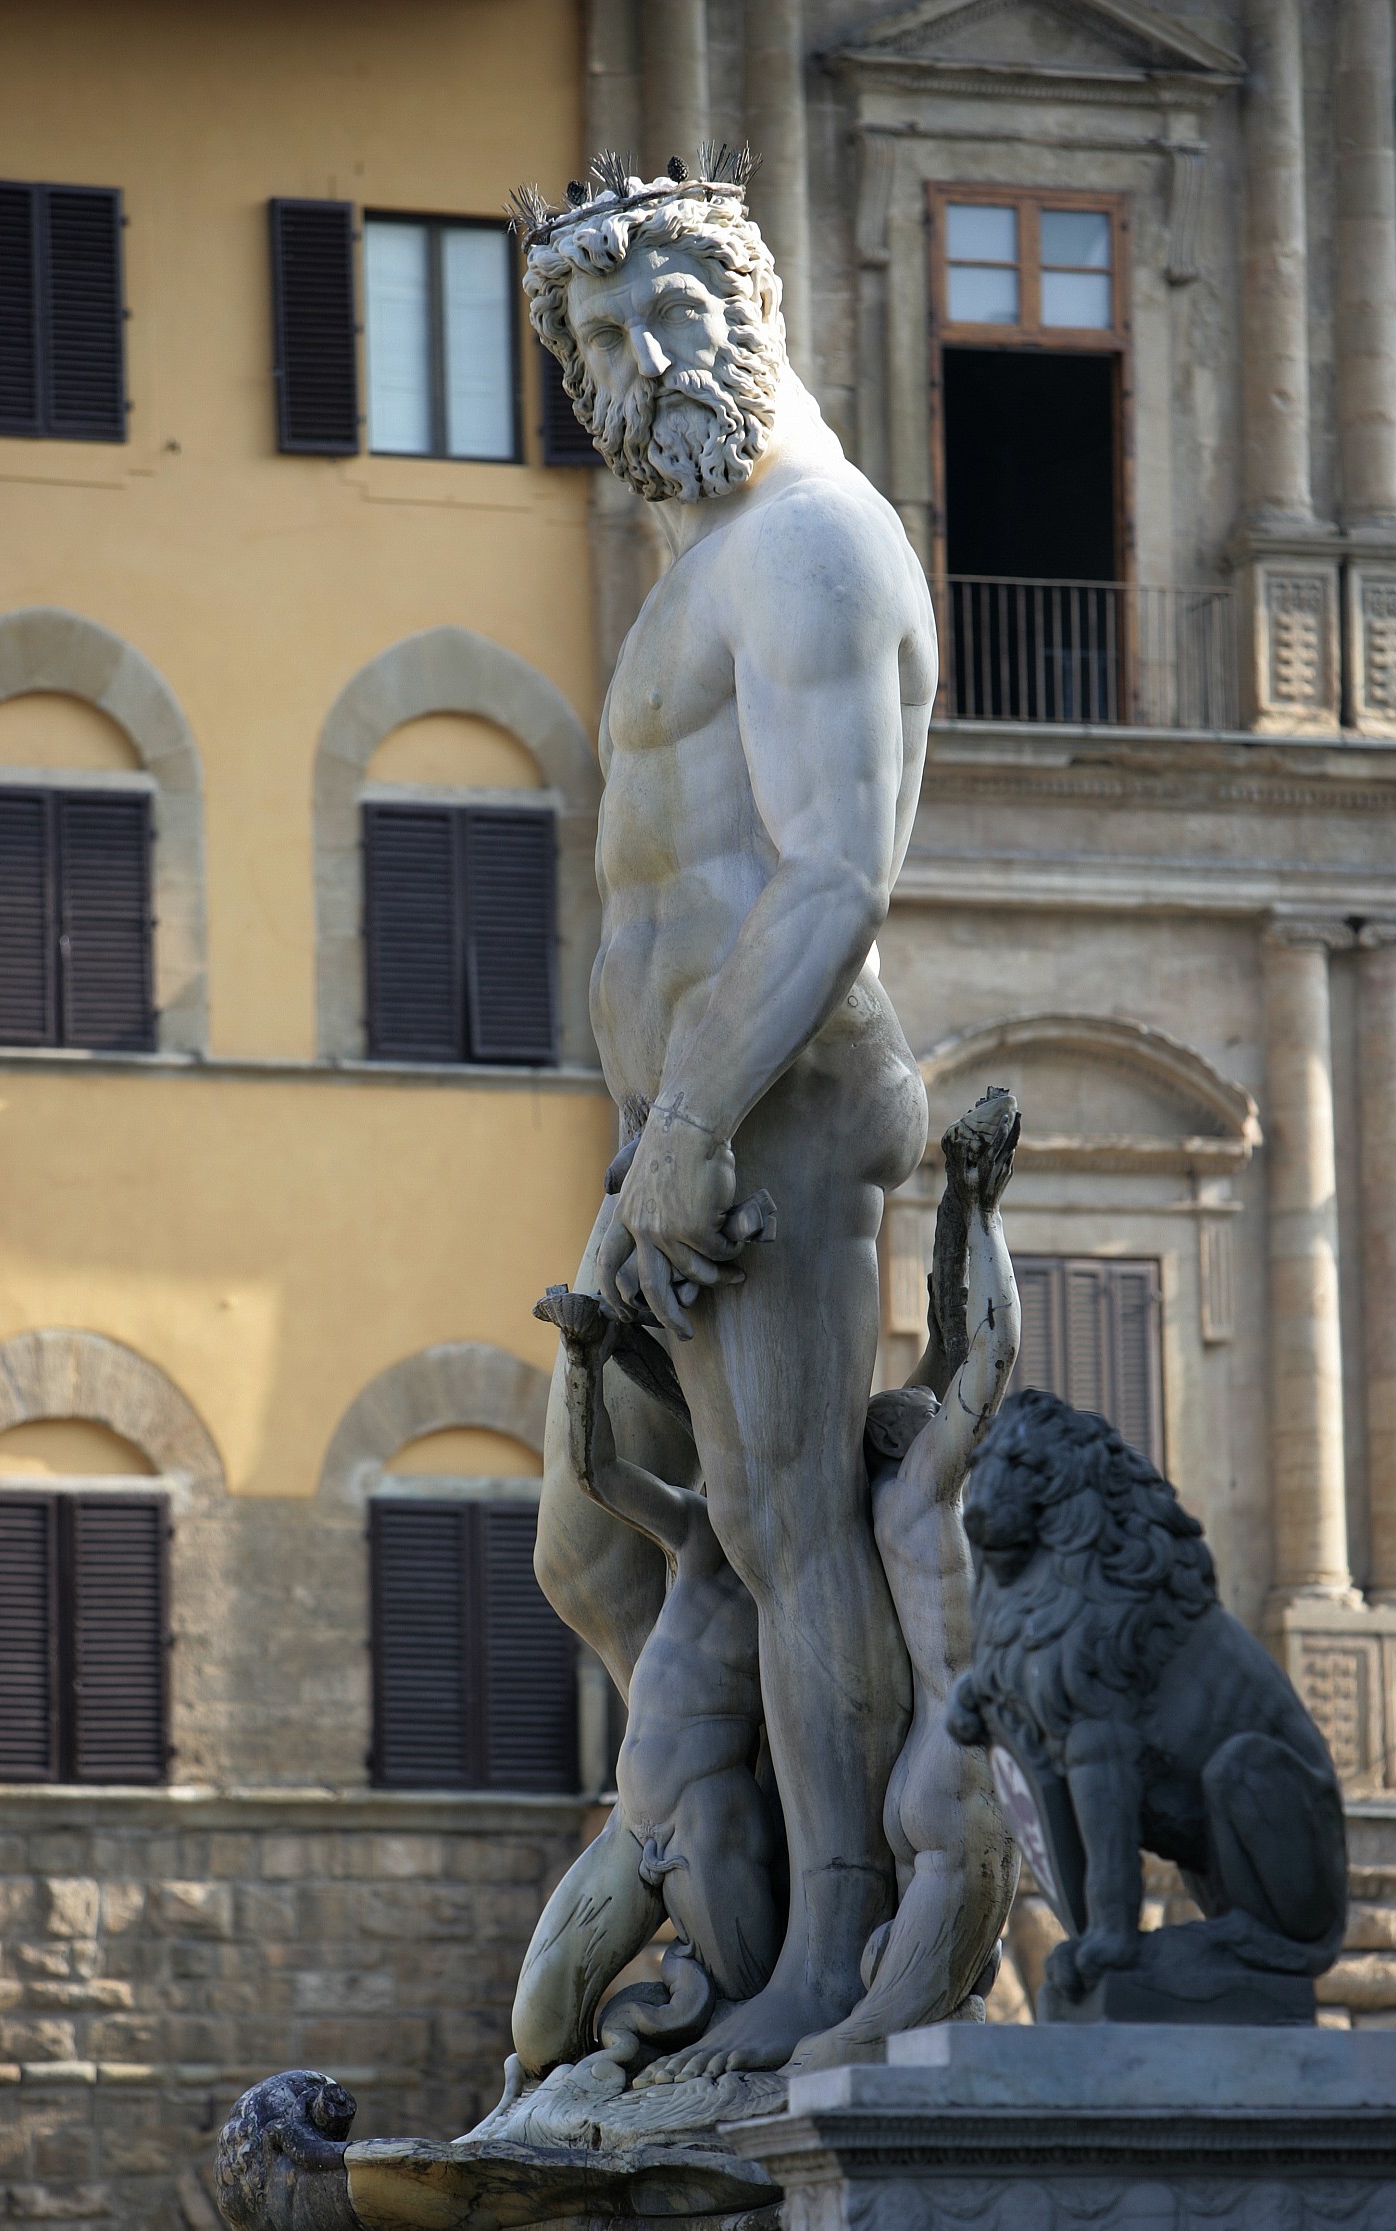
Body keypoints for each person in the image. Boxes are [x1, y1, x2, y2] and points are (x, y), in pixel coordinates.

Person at [515, 150, 938, 2068]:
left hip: (769, 1102)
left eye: (664, 306)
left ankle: (829, 1948)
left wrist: (691, 1121)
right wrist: (651, 1128)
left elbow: (833, 871)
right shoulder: (707, 565)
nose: (635, 355)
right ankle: (720, 1867)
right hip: (675, 1124)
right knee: (594, 1549)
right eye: (599, 331)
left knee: (782, 1530)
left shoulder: (819, 546)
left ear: (750, 303)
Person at [786, 1090, 1022, 2070]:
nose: (949, 1414)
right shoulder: (927, 1492)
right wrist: (989, 1209)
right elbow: (990, 1352)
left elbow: (946, 1336)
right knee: (864, 2050)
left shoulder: (879, 1510)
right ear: (910, 1438)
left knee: (937, 2022)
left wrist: (956, 1210)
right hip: (961, 1774)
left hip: (919, 1775)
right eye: (933, 1412)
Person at [510, 1283, 780, 2079]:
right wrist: (584, 1359)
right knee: (538, 2029)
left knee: (743, 2009)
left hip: (705, 1825)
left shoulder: (806, 1583)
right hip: (633, 1820)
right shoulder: (698, 1532)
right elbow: (595, 1473)